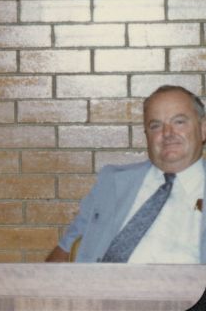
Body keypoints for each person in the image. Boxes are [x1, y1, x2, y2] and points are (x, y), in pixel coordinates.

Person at [46, 85, 206, 263]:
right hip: (101, 287)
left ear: (203, 129)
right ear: (147, 135)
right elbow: (67, 249)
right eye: (156, 125)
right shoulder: (111, 183)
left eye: (179, 122)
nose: (167, 133)